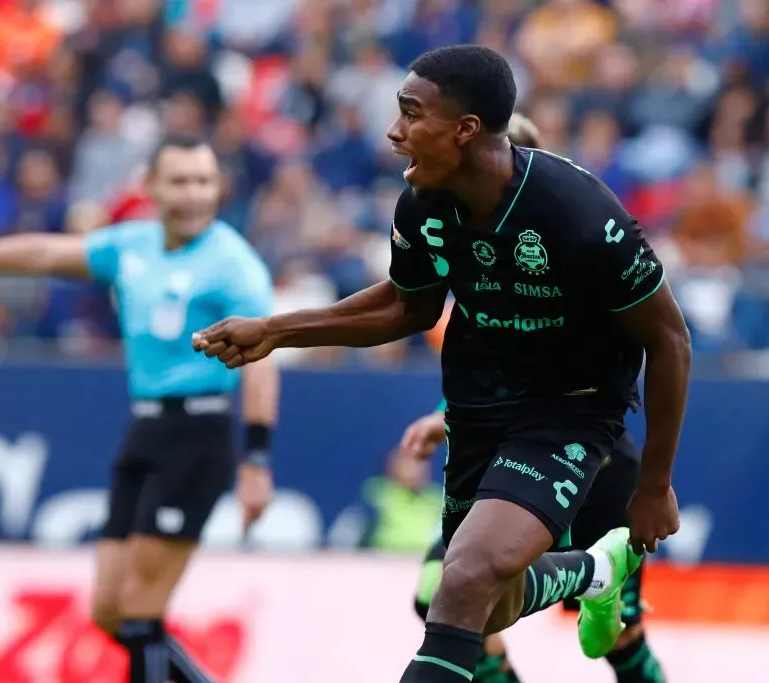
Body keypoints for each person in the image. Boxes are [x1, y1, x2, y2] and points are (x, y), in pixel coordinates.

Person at [192, 45, 690, 683]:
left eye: (409, 114)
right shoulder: (423, 205)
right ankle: (594, 571)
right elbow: (408, 307)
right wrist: (275, 331)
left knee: (460, 586)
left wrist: (653, 485)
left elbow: (669, 339)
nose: (394, 132)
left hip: (569, 412)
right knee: (478, 606)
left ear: (466, 129)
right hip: (479, 409)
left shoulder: (578, 212)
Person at [0, 134, 280, 683]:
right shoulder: (132, 246)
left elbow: (262, 363)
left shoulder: (234, 265)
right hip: (144, 431)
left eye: (204, 182)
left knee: (141, 613)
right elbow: (46, 253)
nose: (193, 195)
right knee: (109, 612)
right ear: (151, 187)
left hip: (198, 433)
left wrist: (256, 459)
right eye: (181, 181)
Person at [401, 113, 666, 683]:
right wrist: (443, 415)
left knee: (618, 639)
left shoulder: (572, 239)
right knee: (452, 600)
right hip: (508, 454)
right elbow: (500, 377)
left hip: (587, 460)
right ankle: (591, 572)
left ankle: (599, 574)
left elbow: (643, 349)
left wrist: (655, 485)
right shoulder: (468, 255)